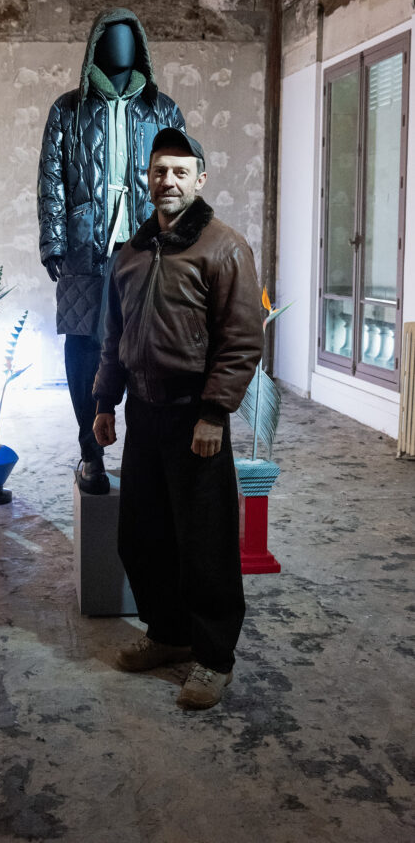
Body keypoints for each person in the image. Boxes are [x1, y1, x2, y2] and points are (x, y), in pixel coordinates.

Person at [92, 127, 263, 710]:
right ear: (147, 179)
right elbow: (113, 337)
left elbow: (241, 340)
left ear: (200, 180)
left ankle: (214, 658)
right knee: (142, 536)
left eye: (180, 172)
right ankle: (168, 634)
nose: (168, 180)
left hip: (195, 416)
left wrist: (214, 412)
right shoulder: (131, 252)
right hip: (142, 410)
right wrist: (105, 401)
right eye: (159, 171)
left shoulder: (224, 247)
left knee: (205, 543)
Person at [37, 8, 186, 494]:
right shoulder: (68, 110)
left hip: (150, 246)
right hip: (86, 247)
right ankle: (90, 453)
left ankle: (145, 456)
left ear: (140, 46)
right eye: (110, 36)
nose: (120, 45)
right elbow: (51, 178)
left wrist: (182, 240)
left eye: (128, 37)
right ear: (95, 45)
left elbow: (182, 179)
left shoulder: (163, 109)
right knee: (83, 345)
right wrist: (54, 240)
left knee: (150, 348)